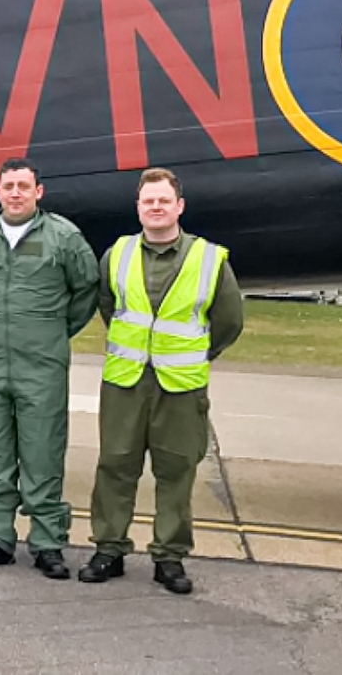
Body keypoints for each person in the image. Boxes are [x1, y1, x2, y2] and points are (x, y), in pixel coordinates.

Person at [79, 168, 243, 595]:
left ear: (179, 206)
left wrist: (196, 355)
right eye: (148, 200)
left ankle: (168, 558)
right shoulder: (116, 254)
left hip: (181, 388)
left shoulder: (210, 259)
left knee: (176, 471)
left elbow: (228, 321)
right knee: (115, 465)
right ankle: (109, 549)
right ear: (138, 207)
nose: (155, 207)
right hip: (125, 382)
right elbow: (107, 305)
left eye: (163, 200)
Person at [0, 157, 99, 580]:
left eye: (23, 186)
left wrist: (52, 332)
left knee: (42, 453)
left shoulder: (63, 237)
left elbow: (86, 289)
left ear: (38, 192)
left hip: (42, 366)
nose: (15, 193)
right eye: (8, 186)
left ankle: (48, 541)